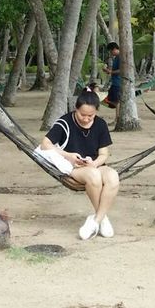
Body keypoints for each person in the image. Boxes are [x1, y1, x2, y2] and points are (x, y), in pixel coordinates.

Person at [38, 89, 120, 239]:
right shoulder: (65, 122)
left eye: (91, 115)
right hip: (74, 167)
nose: (86, 119)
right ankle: (103, 220)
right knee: (94, 176)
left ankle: (96, 220)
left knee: (113, 176)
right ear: (76, 109)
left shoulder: (100, 124)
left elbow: (104, 154)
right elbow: (45, 144)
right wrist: (68, 156)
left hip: (95, 165)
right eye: (83, 115)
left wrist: (94, 163)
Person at [104, 41, 121, 110]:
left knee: (115, 101)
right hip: (115, 82)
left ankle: (117, 118)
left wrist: (110, 71)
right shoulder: (116, 58)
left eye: (110, 51)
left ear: (114, 49)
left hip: (118, 83)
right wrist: (108, 71)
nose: (110, 53)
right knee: (112, 101)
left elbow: (122, 70)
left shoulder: (120, 57)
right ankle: (117, 117)